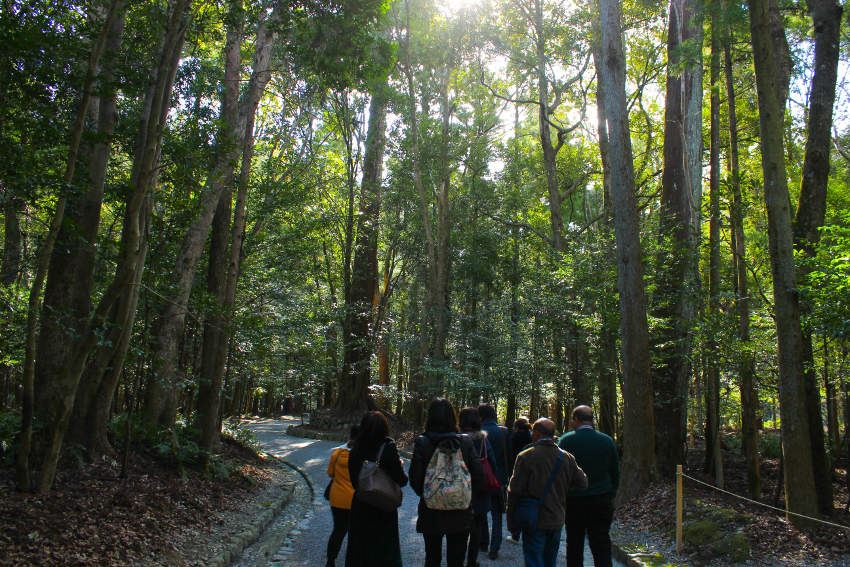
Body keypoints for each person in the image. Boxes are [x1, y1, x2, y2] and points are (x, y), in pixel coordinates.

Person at [410, 399, 484, 567]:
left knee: (432, 558)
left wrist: (429, 493)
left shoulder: (423, 442)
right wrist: (466, 495)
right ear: (453, 418)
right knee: (456, 560)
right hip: (460, 511)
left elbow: (415, 479)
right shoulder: (465, 442)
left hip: (431, 510)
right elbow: (479, 475)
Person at [507, 418, 587, 567]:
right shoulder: (566, 457)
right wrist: (563, 490)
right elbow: (583, 483)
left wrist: (512, 521)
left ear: (537, 433)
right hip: (556, 517)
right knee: (550, 560)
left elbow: (514, 491)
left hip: (534, 518)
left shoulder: (526, 456)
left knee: (534, 559)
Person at [558, 405, 620, 567]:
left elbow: (560, 472)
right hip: (601, 499)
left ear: (576, 419)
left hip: (574, 501)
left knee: (574, 544)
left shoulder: (566, 440)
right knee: (601, 543)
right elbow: (615, 472)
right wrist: (610, 493)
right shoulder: (607, 441)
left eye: (572, 419)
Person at [346, 411, 408, 567]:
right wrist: (399, 466)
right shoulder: (388, 447)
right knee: (384, 552)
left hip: (361, 505)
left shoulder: (355, 449)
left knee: (360, 551)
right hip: (384, 506)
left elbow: (354, 482)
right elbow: (402, 480)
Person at [459, 407, 497, 567]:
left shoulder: (457, 439)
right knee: (477, 527)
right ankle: (472, 561)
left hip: (460, 487)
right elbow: (493, 463)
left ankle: (457, 559)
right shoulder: (483, 440)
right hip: (480, 489)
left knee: (459, 527)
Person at [478, 403, 509, 560]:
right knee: (497, 515)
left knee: (481, 511)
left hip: (482, 478)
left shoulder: (478, 433)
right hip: (500, 478)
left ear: (481, 416)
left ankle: (483, 542)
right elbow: (508, 456)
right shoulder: (504, 431)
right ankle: (494, 548)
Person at [325, 424, 358, 567]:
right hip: (356, 500)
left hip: (337, 498)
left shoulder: (337, 453)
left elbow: (330, 473)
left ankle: (330, 560)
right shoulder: (362, 456)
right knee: (355, 533)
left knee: (338, 530)